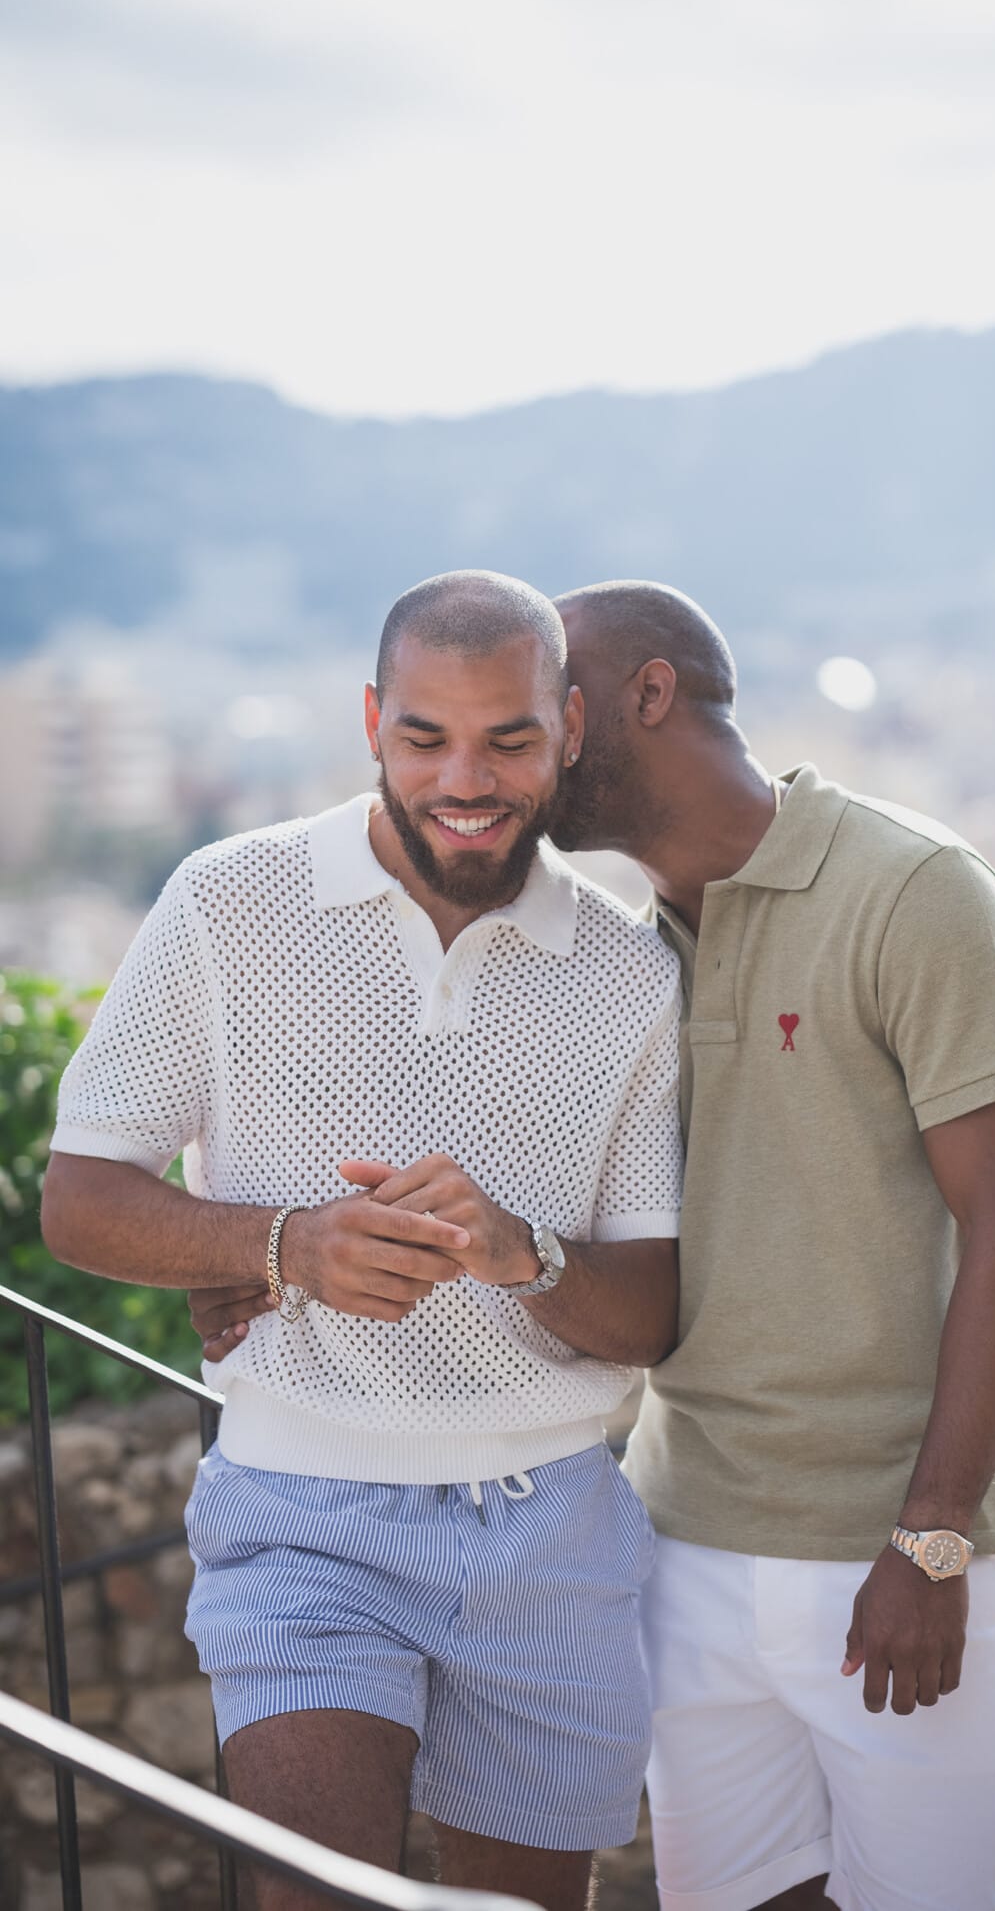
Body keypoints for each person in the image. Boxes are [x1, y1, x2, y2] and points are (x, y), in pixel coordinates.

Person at [40, 570, 683, 1911]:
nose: (467, 777)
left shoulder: (633, 970)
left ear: (568, 725)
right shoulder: (231, 900)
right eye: (425, 736)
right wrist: (283, 1242)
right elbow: (81, 1195)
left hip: (555, 1526)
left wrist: (528, 1257)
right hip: (300, 1514)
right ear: (373, 721)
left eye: (509, 738)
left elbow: (653, 1313)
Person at [546, 580, 995, 1911]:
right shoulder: (604, 954)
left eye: (551, 699)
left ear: (648, 694)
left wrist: (934, 1537)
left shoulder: (914, 888)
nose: (515, 737)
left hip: (902, 1552)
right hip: (686, 1543)